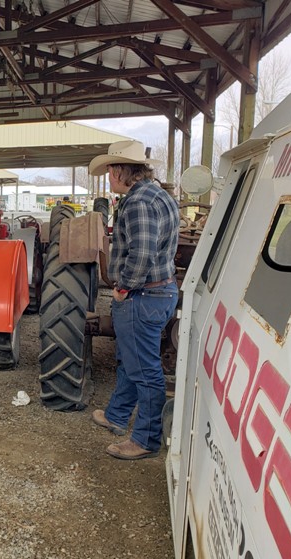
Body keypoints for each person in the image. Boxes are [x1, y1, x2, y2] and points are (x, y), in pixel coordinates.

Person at [87, 140, 180, 460]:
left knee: (145, 370)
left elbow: (141, 252)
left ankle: (146, 439)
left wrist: (124, 286)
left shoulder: (138, 202)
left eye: (111, 169)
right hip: (158, 291)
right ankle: (116, 415)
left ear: (121, 170)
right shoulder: (158, 195)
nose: (109, 175)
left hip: (143, 295)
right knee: (131, 360)